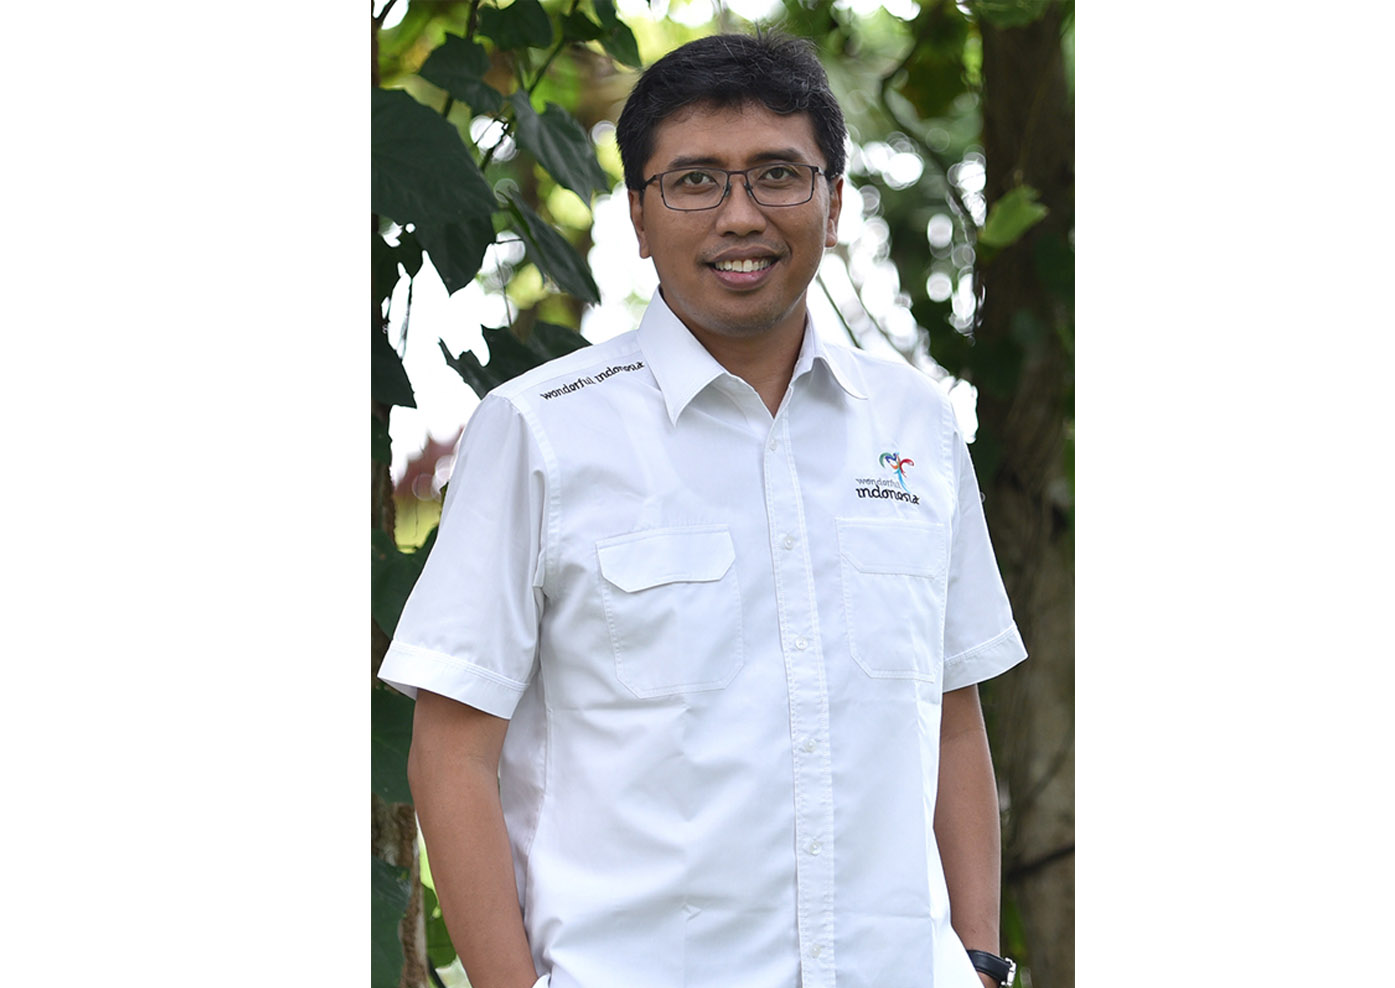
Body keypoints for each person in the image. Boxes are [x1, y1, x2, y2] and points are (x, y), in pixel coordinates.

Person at [378, 31, 1027, 988]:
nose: (740, 216)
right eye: (693, 182)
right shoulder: (537, 432)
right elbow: (451, 755)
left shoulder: (916, 425)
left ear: (834, 200)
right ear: (639, 216)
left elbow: (952, 718)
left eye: (777, 175)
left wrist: (977, 962)